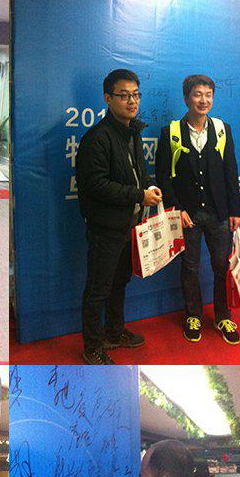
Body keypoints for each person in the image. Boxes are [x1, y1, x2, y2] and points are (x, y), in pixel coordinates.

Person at [76, 68, 162, 364]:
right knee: (97, 290)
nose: (132, 101)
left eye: (136, 95)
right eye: (124, 95)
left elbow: (136, 173)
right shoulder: (97, 138)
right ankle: (92, 347)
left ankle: (114, 332)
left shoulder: (132, 132)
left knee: (119, 283)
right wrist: (139, 195)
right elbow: (96, 185)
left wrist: (148, 187)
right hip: (106, 228)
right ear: (107, 98)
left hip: (130, 225)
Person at [156, 74, 240, 345]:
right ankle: (193, 315)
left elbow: (231, 171)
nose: (203, 100)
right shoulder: (170, 132)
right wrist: (176, 209)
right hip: (188, 215)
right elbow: (163, 177)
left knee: (221, 266)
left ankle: (222, 316)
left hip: (219, 213)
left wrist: (235, 210)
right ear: (186, 98)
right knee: (190, 267)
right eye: (197, 94)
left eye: (208, 95)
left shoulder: (222, 129)